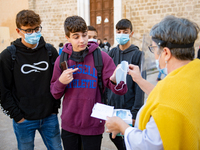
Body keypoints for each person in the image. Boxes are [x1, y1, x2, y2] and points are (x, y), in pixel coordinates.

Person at [106, 15, 200, 150]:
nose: (155, 55)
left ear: (166, 53)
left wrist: (122, 126)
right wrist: (139, 79)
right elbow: (164, 93)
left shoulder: (168, 101)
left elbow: (148, 144)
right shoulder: (192, 75)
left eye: (154, 49)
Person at [50, 16, 127, 150]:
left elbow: (120, 90)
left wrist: (116, 80)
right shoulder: (61, 60)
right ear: (67, 38)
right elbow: (55, 94)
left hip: (93, 125)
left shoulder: (101, 57)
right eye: (76, 37)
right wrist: (61, 82)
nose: (82, 40)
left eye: (84, 35)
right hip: (69, 126)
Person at [0, 10, 62, 150]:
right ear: (18, 30)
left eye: (36, 29)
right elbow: (3, 90)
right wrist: (17, 116)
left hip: (49, 117)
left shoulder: (50, 51)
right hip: (24, 120)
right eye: (28, 30)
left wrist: (54, 108)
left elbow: (57, 82)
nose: (34, 33)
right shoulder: (8, 56)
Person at [107, 19, 145, 150]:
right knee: (114, 138)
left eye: (125, 32)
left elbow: (140, 85)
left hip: (129, 108)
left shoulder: (137, 54)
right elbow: (108, 80)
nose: (121, 34)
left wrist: (135, 113)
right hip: (113, 107)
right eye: (119, 31)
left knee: (128, 142)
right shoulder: (112, 53)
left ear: (131, 33)